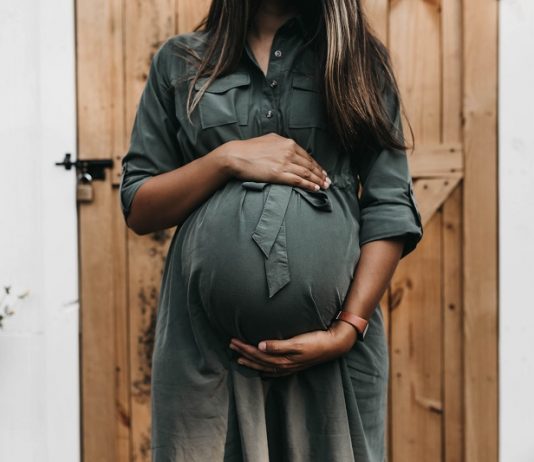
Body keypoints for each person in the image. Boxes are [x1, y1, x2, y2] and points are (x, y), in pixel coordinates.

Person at [119, 0, 423, 460]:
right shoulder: (179, 62)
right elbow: (140, 207)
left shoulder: (358, 61)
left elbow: (390, 205)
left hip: (334, 355)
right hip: (206, 355)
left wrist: (347, 329)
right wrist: (226, 159)